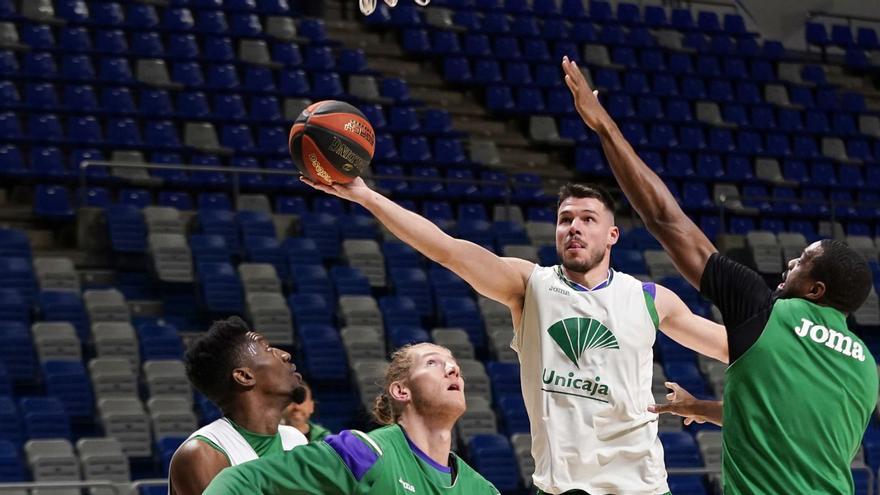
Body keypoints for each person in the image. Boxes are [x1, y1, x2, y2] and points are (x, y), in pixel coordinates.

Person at [299, 167, 728, 494]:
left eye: (587, 219)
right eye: (565, 219)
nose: (573, 227)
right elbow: (447, 250)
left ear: (612, 234)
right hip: (560, 488)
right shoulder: (532, 285)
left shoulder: (649, 298)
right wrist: (366, 196)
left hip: (642, 487)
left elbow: (738, 350)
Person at [561, 55, 879, 494]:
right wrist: (703, 408)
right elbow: (784, 421)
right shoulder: (864, 365)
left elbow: (664, 219)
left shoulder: (766, 313)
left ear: (816, 288)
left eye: (802, 262)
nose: (789, 264)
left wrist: (605, 129)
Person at [204, 343, 501, 494]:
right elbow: (238, 479)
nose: (452, 370)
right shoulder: (362, 454)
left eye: (454, 365)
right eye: (433, 363)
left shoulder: (481, 489)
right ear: (401, 390)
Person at [168, 316, 308, 495]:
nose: (285, 354)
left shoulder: (295, 439)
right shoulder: (203, 453)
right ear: (244, 376)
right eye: (267, 349)